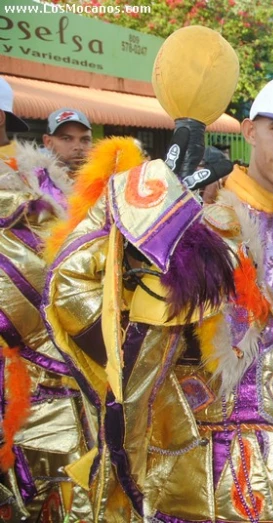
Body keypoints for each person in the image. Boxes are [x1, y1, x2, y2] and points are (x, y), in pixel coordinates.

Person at [43, 72, 273, 521]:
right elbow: (75, 288)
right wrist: (154, 222)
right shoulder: (194, 214)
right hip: (195, 470)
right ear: (249, 131)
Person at [0, 76, 99, 522]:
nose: (77, 148)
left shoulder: (38, 179)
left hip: (53, 373)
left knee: (66, 488)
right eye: (67, 138)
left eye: (83, 139)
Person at [42, 108, 92, 176]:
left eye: (85, 140)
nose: (78, 147)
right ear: (48, 142)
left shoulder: (107, 182)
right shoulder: (32, 182)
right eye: (66, 139)